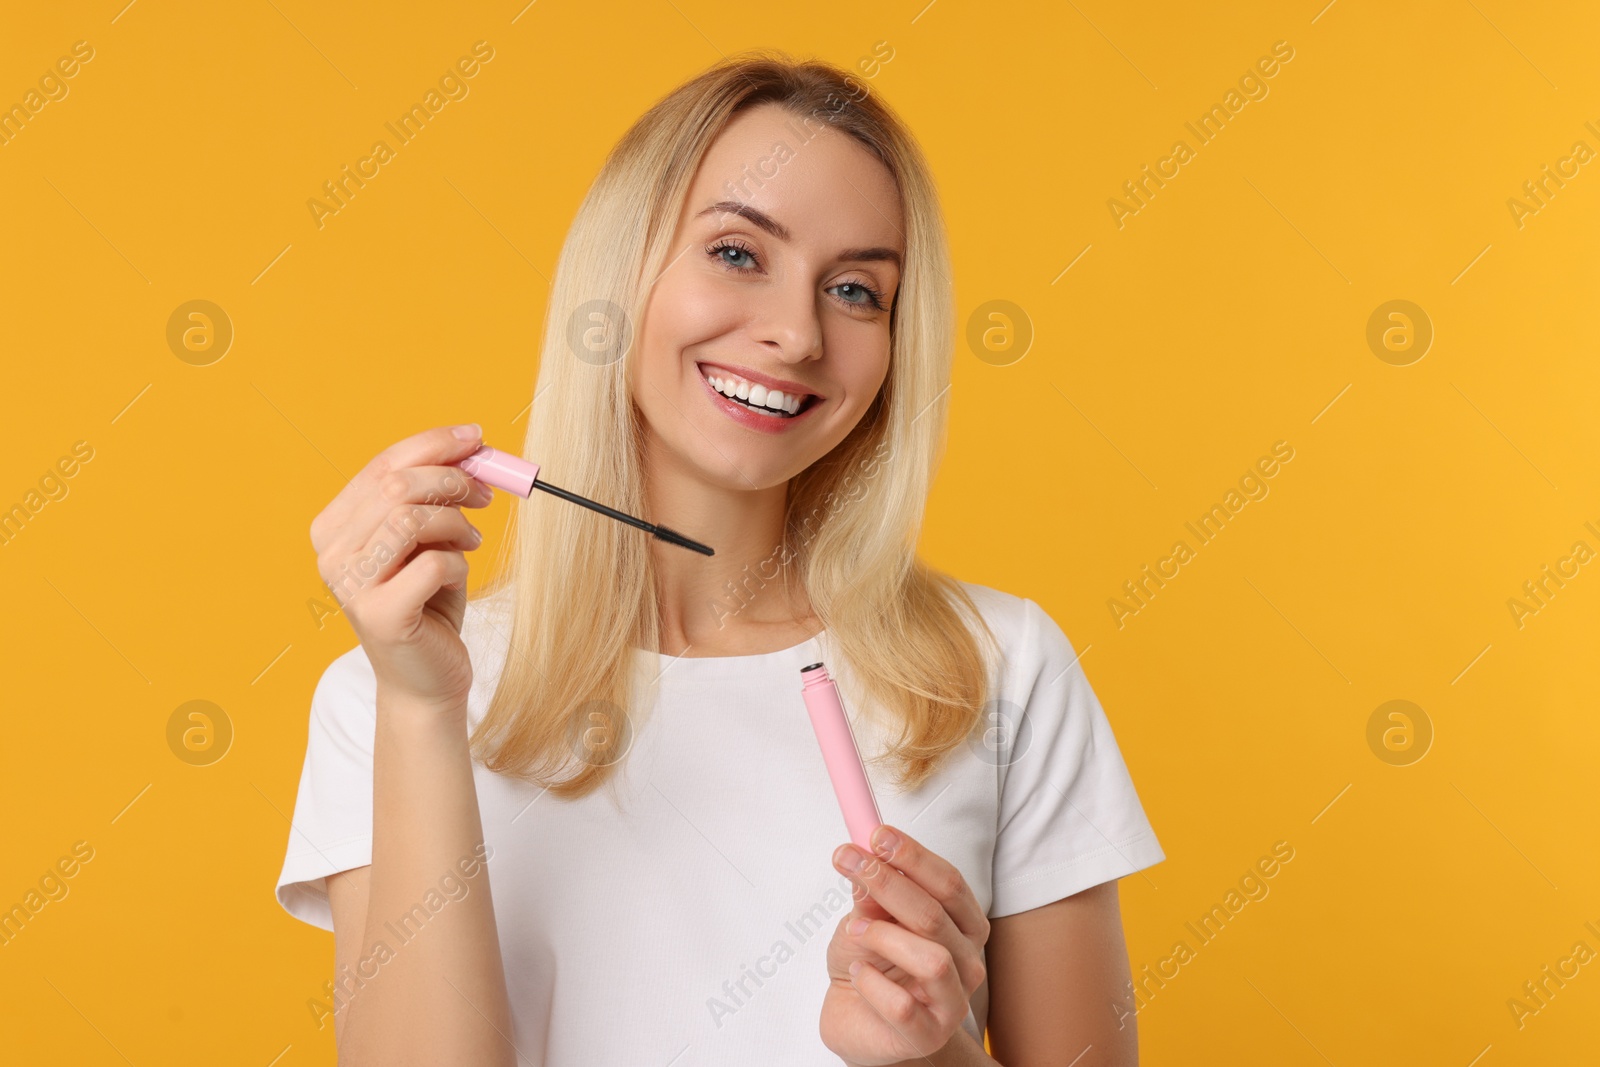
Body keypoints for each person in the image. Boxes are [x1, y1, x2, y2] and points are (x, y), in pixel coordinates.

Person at [275, 50, 1164, 1066]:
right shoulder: (392, 695)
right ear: (625, 271)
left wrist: (929, 1054)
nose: (795, 333)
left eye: (856, 290)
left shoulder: (1001, 668)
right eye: (738, 253)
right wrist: (422, 710)